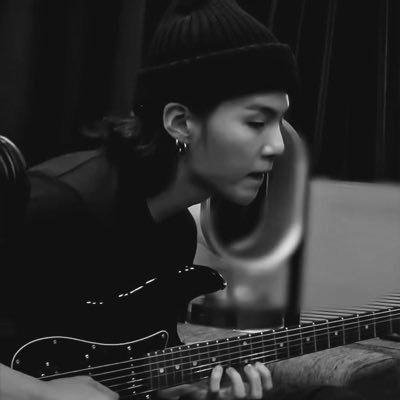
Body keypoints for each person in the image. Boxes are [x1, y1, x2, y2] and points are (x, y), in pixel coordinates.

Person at [0, 0, 365, 399]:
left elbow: (128, 368)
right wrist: (39, 393)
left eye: (280, 122)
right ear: (180, 123)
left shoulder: (175, 234)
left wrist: (194, 392)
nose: (277, 145)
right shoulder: (57, 205)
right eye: (256, 122)